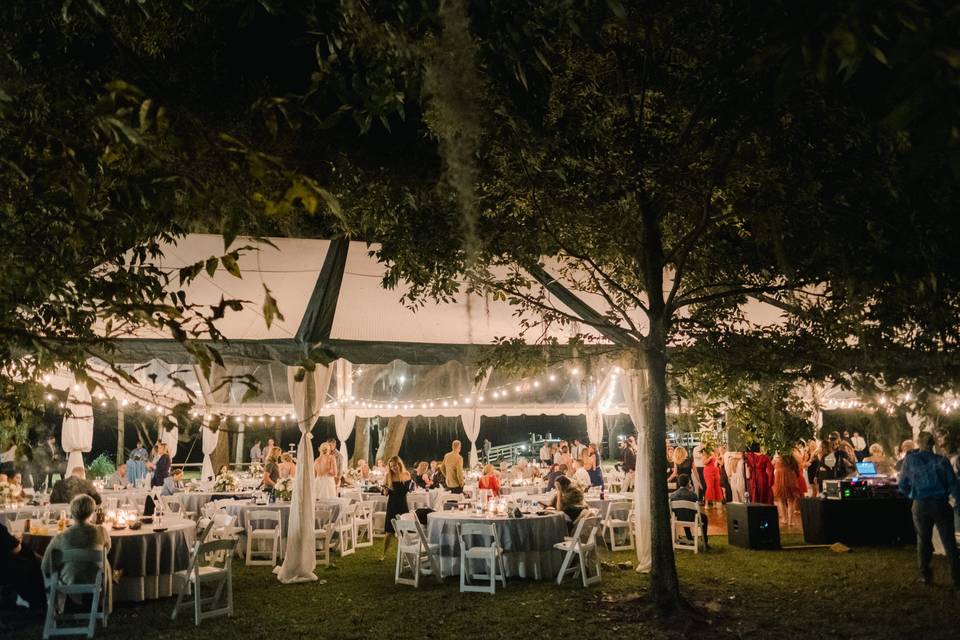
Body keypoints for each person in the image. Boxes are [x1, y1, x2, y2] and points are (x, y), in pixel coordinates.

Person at [898, 431, 960, 587]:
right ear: (933, 444)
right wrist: (958, 503)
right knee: (949, 541)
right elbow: (954, 485)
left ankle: (925, 575)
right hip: (940, 504)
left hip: (920, 504)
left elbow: (902, 485)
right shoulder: (942, 461)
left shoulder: (910, 460)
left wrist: (912, 494)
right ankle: (957, 577)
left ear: (919, 442)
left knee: (923, 539)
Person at [40, 495, 112, 610]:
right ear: (92, 512)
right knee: (105, 562)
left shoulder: (61, 537)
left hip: (69, 582)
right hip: (96, 579)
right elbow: (107, 550)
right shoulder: (101, 532)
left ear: (72, 513)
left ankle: (54, 605)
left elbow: (46, 566)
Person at [0, 520, 45, 611]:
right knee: (30, 561)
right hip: (4, 570)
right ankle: (38, 604)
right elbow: (16, 549)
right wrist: (18, 541)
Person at [380, 456, 413, 561]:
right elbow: (384, 493)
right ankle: (383, 554)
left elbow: (410, 489)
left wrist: (412, 487)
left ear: (399, 464)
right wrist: (385, 489)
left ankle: (406, 554)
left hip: (403, 504)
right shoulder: (388, 476)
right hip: (392, 505)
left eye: (394, 466)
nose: (393, 468)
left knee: (404, 531)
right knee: (389, 532)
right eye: (391, 466)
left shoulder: (406, 475)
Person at [669, 474, 710, 550]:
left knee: (683, 512)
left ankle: (689, 537)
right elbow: (695, 510)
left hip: (678, 519)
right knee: (704, 517)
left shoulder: (672, 496)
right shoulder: (693, 495)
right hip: (691, 519)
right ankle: (705, 541)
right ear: (688, 483)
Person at [773, 453, 803, 528]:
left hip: (779, 481)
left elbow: (774, 469)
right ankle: (791, 521)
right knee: (791, 501)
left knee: (780, 500)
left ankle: (784, 519)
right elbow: (797, 472)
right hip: (791, 480)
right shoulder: (792, 460)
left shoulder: (777, 460)